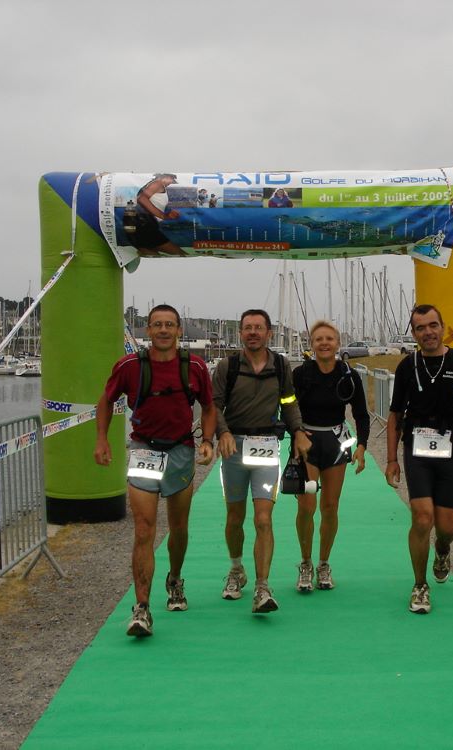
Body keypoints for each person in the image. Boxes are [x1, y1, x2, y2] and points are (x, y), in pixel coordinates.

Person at [94, 304, 215, 637]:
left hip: (180, 452)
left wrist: (207, 440)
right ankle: (142, 608)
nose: (163, 330)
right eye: (157, 324)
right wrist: (102, 439)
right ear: (148, 330)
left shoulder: (195, 366)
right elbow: (105, 400)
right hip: (144, 450)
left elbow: (208, 406)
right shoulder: (130, 366)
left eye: (169, 325)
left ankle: (174, 579)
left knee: (178, 528)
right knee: (144, 529)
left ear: (179, 331)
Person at [385, 304, 453, 614]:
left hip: (450, 448)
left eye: (433, 325)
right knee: (422, 517)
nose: (428, 332)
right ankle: (420, 585)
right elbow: (394, 415)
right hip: (416, 447)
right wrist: (391, 460)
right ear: (414, 333)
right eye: (421, 328)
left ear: (442, 327)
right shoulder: (407, 366)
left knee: (447, 526)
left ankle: (442, 549)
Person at [213, 309, 311, 613]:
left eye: (258, 327)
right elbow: (214, 405)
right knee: (235, 517)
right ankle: (236, 568)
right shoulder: (227, 366)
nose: (253, 332)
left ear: (269, 332)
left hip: (267, 446)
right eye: (247, 328)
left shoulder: (281, 365)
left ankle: (262, 586)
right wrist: (222, 432)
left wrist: (298, 431)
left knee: (263, 519)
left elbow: (289, 401)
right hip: (233, 448)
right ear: (241, 333)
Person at [291, 321, 369, 592]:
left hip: (336, 443)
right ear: (311, 344)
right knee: (306, 506)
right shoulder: (301, 374)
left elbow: (361, 414)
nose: (324, 343)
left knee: (330, 507)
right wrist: (295, 434)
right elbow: (287, 407)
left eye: (329, 339)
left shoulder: (349, 375)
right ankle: (305, 563)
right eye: (318, 339)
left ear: (337, 343)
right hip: (307, 443)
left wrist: (362, 446)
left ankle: (324, 563)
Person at [124, 174, 186, 256]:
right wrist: (163, 215)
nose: (171, 182)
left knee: (151, 254)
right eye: (171, 179)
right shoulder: (157, 183)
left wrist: (167, 216)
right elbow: (141, 199)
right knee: (180, 253)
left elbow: (149, 203)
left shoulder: (155, 185)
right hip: (143, 223)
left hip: (139, 223)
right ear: (165, 176)